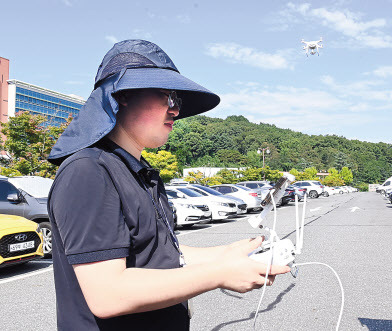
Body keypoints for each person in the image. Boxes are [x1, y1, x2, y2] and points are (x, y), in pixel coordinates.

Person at [47, 40, 290, 330]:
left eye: (178, 100)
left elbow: (158, 253)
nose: (175, 111)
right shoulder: (89, 171)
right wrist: (219, 273)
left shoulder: (138, 171)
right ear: (123, 95)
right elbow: (108, 294)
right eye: (167, 97)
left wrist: (228, 254)